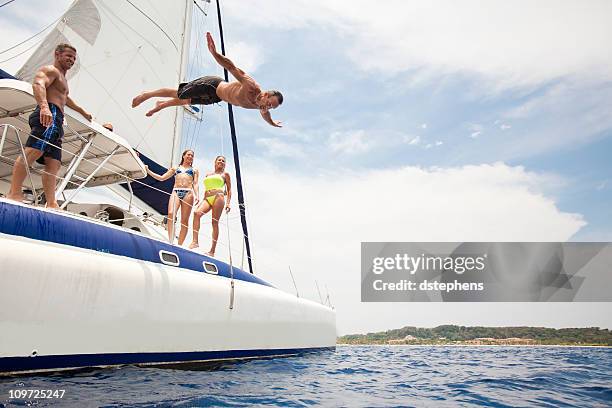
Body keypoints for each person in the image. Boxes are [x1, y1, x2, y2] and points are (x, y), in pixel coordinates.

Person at [132, 32, 283, 128]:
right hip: (212, 85)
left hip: (217, 97)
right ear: (265, 95)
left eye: (272, 107)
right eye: (269, 103)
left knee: (187, 101)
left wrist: (272, 123)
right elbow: (232, 68)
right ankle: (148, 94)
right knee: (180, 94)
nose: (268, 108)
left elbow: (266, 116)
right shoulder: (251, 86)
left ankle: (162, 105)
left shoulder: (261, 108)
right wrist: (215, 53)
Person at [7, 43, 92, 208]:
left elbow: (65, 98)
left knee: (54, 163)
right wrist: (44, 107)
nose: (72, 60)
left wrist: (82, 111)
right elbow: (38, 84)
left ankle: (51, 202)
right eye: (68, 56)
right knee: (33, 150)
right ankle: (14, 193)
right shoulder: (51, 70)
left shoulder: (62, 79)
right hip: (49, 114)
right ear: (57, 54)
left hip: (57, 119)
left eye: (74, 58)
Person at [145, 150, 199, 245]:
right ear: (183, 156)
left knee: (184, 221)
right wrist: (148, 171)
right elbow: (162, 178)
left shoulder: (194, 170)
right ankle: (170, 241)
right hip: (176, 191)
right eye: (188, 155)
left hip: (188, 193)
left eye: (192, 155)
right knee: (170, 213)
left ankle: (180, 244)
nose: (190, 156)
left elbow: (195, 184)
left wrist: (197, 195)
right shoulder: (175, 168)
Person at [189, 155, 231, 256]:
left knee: (214, 222)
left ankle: (212, 251)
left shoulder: (225, 174)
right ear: (215, 162)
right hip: (207, 198)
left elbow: (229, 190)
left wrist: (228, 203)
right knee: (196, 213)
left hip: (218, 197)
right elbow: (206, 188)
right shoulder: (208, 174)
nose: (221, 162)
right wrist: (202, 200)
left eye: (223, 161)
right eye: (219, 160)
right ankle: (195, 241)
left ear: (224, 164)